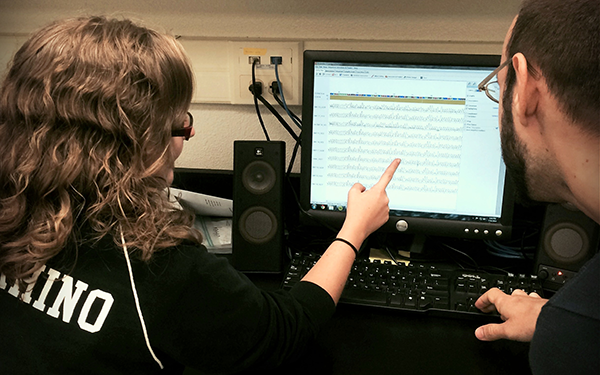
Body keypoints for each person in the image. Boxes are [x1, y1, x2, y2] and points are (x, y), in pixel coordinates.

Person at [0, 16, 401, 374]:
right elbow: (284, 330)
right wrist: (354, 229)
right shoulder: (157, 264)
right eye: (177, 123)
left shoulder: (12, 205)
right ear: (133, 142)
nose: (187, 135)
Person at [473, 0, 599, 373]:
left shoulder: (576, 339)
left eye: (497, 88)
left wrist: (567, 326)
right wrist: (555, 317)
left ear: (525, 88)